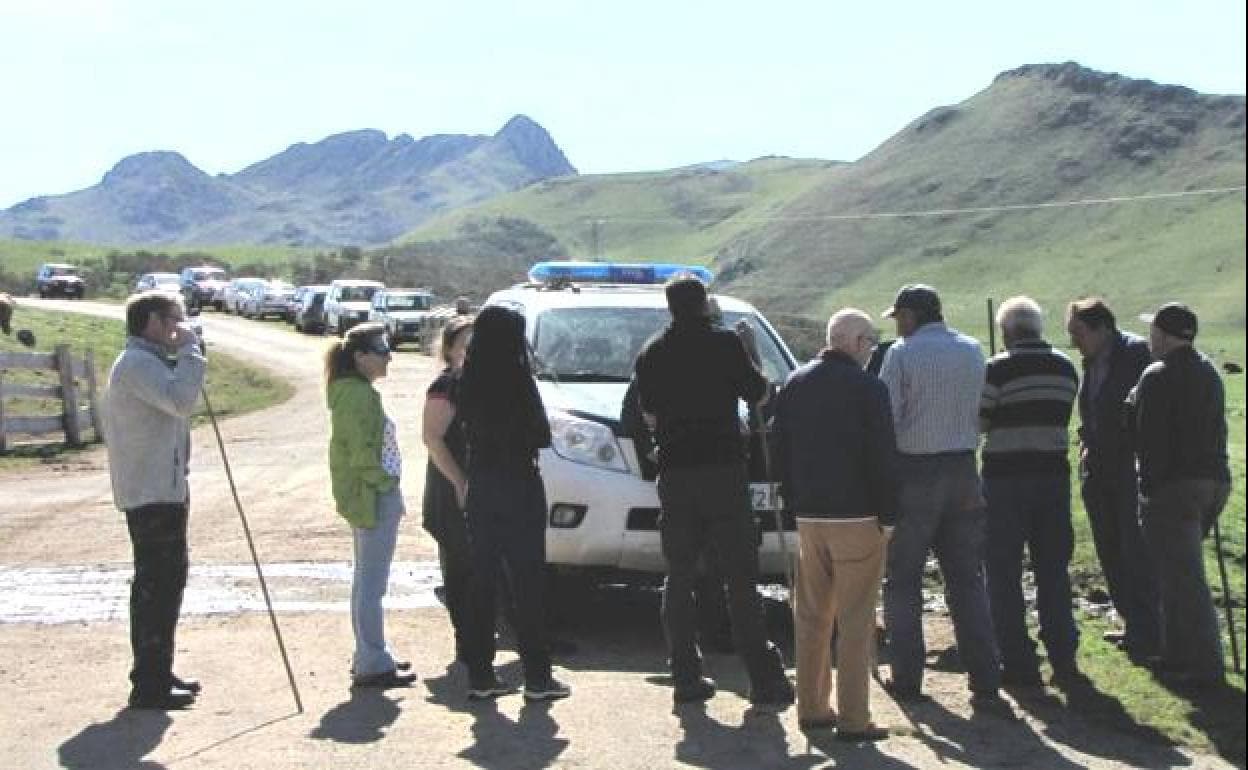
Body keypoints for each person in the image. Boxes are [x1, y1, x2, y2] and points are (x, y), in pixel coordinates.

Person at [633, 276, 793, 709]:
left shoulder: (652, 352)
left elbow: (646, 411)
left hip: (677, 474)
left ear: (669, 308)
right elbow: (758, 393)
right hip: (723, 472)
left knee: (679, 575)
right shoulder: (725, 344)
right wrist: (752, 356)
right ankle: (761, 680)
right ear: (703, 304)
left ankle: (685, 676)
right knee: (740, 577)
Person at [877, 284, 1012, 717]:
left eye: (899, 315)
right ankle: (986, 678)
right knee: (966, 579)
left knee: (903, 579)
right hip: (963, 471)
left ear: (912, 316)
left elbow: (888, 416)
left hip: (915, 472)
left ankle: (908, 677)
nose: (897, 323)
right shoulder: (973, 350)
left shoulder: (902, 353)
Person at [772, 308, 896, 741]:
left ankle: (812, 708)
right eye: (871, 341)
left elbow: (778, 446)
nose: (872, 348)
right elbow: (883, 457)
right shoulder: (869, 389)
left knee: (810, 615)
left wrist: (791, 499)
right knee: (857, 620)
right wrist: (890, 515)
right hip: (859, 516)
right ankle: (855, 719)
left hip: (810, 516)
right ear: (857, 342)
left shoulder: (794, 383)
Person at [457, 305, 570, 701]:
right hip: (519, 482)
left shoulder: (467, 379)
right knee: (528, 580)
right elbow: (540, 433)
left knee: (482, 579)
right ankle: (538, 676)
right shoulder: (519, 379)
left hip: (482, 483)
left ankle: (481, 675)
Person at [105, 290, 206, 710]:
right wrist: (192, 354)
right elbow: (180, 401)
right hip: (150, 492)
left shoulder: (148, 362)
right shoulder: (137, 365)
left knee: (167, 581)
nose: (179, 328)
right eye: (173, 320)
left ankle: (157, 670)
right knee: (157, 584)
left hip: (162, 487)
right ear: (151, 323)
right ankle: (149, 682)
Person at [979, 297, 1081, 688]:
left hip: (1005, 479)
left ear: (1006, 332)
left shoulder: (998, 369)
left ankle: (1017, 660)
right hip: (1053, 478)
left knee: (1002, 571)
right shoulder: (1064, 367)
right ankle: (1063, 655)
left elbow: (981, 420)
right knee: (1053, 569)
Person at [1132, 303, 1232, 687]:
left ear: (1163, 334)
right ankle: (1176, 657)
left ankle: (1206, 668)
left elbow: (1147, 437)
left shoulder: (1157, 375)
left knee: (1186, 578)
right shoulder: (1208, 371)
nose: (1149, 338)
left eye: (1153, 331)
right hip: (1212, 481)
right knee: (1176, 570)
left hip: (1175, 485)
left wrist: (1148, 486)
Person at [1066, 298, 1159, 661]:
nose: (1075, 342)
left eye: (1079, 333)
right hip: (1099, 467)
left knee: (1135, 549)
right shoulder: (1094, 359)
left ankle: (1150, 631)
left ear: (1102, 327)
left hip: (1126, 467)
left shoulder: (1136, 354)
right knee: (1110, 547)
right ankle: (1132, 623)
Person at [326, 322, 415, 689]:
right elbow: (359, 449)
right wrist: (384, 484)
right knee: (372, 583)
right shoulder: (356, 395)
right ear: (360, 357)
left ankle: (371, 653)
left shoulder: (355, 391)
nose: (388, 357)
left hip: (370, 493)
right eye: (381, 351)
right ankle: (372, 661)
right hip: (371, 495)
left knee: (366, 579)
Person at [421, 315, 474, 664]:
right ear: (450, 349)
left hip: (476, 485)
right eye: (467, 343)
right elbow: (432, 438)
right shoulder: (445, 387)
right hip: (451, 485)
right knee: (459, 567)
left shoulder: (479, 383)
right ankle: (465, 643)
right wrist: (459, 482)